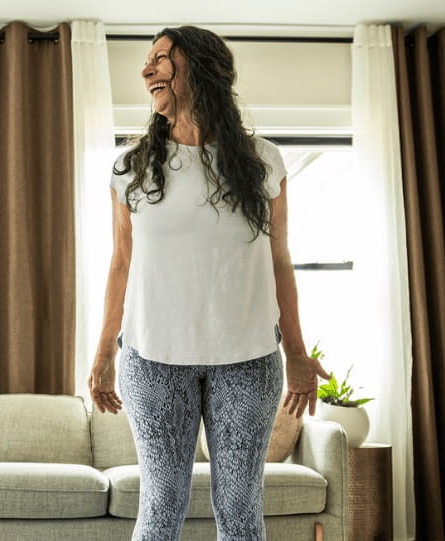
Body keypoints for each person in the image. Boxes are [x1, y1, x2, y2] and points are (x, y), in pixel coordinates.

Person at [87, 26, 331, 541]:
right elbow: (120, 263)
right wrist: (103, 354)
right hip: (152, 362)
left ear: (199, 67)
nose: (146, 69)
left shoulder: (263, 160)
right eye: (146, 61)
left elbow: (279, 260)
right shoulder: (130, 166)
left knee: (239, 506)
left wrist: (297, 352)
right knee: (163, 501)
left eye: (160, 59)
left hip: (247, 361)